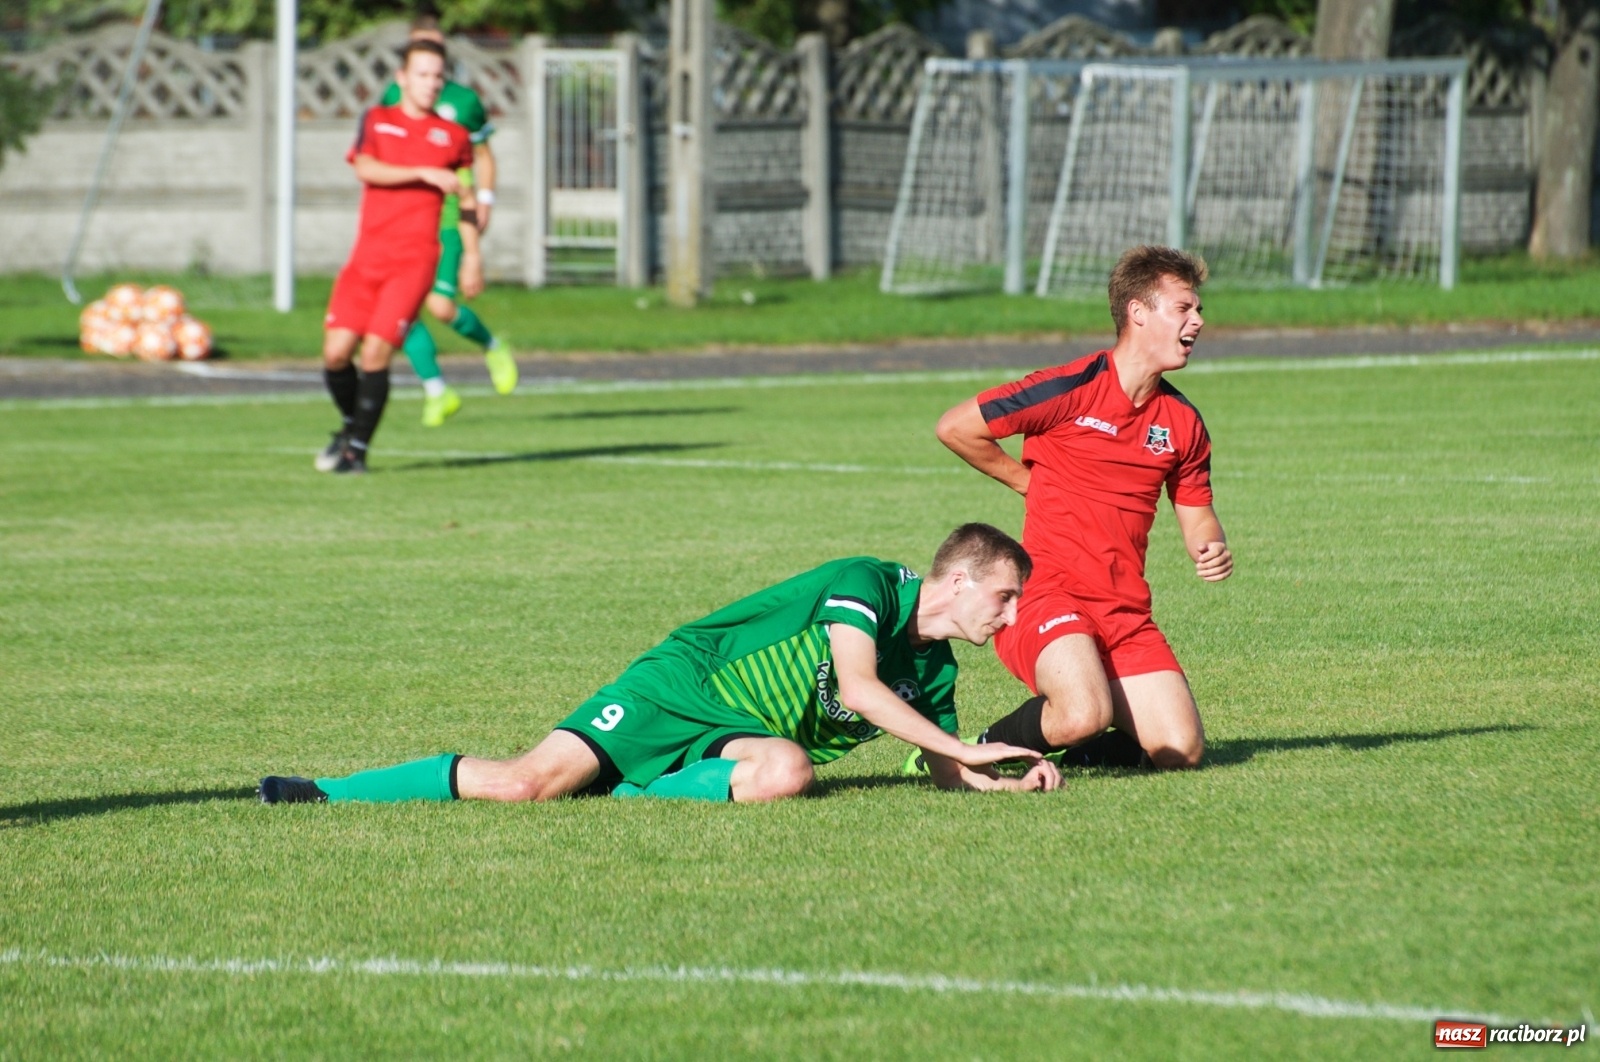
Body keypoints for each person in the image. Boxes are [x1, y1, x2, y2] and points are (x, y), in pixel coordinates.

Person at [259, 523, 1062, 805]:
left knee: (787, 773)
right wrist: (962, 747)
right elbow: (856, 685)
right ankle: (326, 791)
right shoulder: (869, 585)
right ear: (956, 581)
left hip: (738, 739)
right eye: (1005, 596)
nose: (1012, 615)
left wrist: (1002, 784)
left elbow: (942, 766)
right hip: (680, 688)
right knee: (521, 786)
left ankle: (634, 785)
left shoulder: (936, 675)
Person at [919, 245, 1232, 772]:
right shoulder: (1071, 388)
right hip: (1045, 594)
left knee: (1182, 752)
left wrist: (1212, 547)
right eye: (1184, 308)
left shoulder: (1183, 422)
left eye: (1198, 310)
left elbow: (1197, 511)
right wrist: (1026, 482)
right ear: (1138, 311)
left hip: (1124, 613)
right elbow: (956, 427)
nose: (1198, 321)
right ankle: (965, 753)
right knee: (1085, 710)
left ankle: (1077, 743)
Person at [316, 38, 475, 474]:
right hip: (366, 257)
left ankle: (357, 452)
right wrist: (422, 172)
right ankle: (350, 425)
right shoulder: (378, 120)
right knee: (335, 352)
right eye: (422, 73)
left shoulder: (455, 137)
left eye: (438, 75)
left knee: (375, 354)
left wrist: (472, 256)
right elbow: (366, 168)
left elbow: (467, 197)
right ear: (402, 78)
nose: (431, 82)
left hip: (414, 260)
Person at [380, 17, 518, 427]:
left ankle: (493, 346)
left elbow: (481, 160)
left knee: (440, 306)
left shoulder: (463, 103)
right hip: (404, 224)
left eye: (433, 47)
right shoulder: (391, 99)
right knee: (399, 312)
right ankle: (437, 391)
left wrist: (479, 222)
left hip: (448, 220)